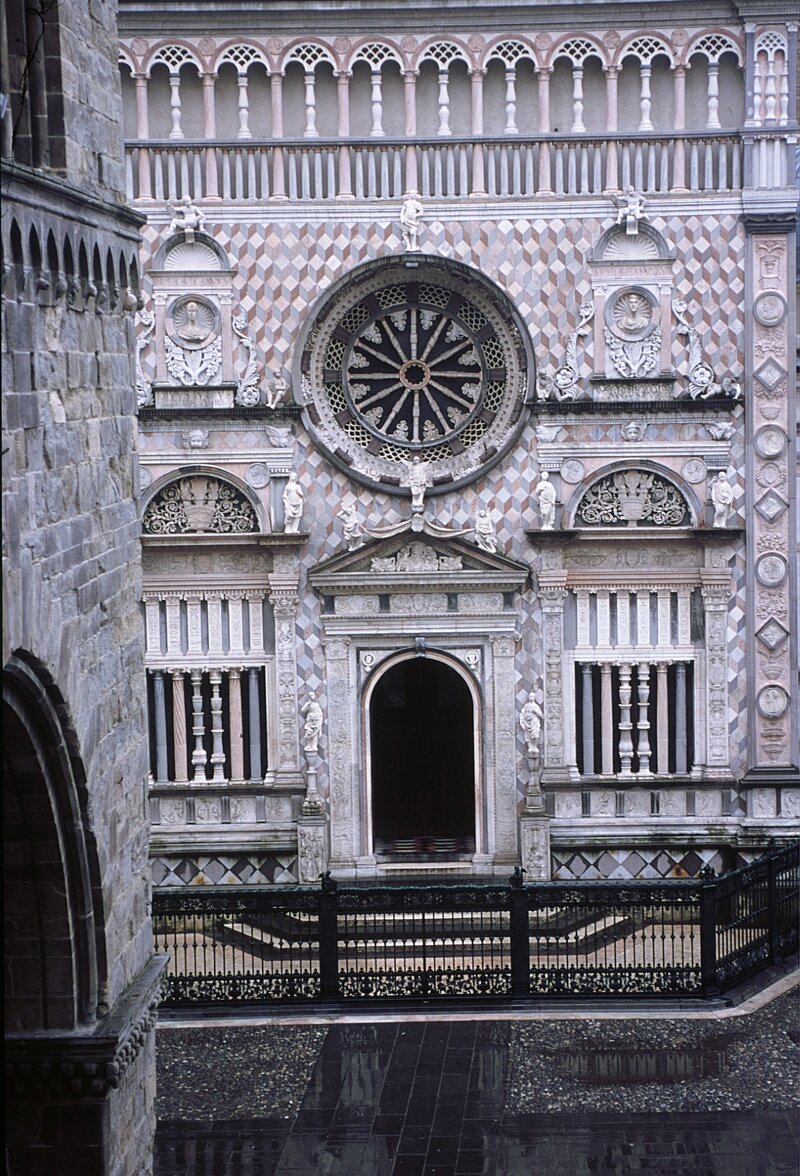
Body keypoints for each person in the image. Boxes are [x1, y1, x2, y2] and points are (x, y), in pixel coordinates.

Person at [519, 691, 543, 761]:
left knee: (535, 735)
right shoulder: (526, 705)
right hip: (527, 722)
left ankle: (534, 746)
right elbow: (522, 713)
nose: (531, 697)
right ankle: (530, 746)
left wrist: (536, 712)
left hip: (534, 722)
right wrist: (523, 721)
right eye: (530, 696)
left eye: (532, 696)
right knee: (528, 736)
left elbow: (541, 715)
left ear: (534, 697)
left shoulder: (536, 706)